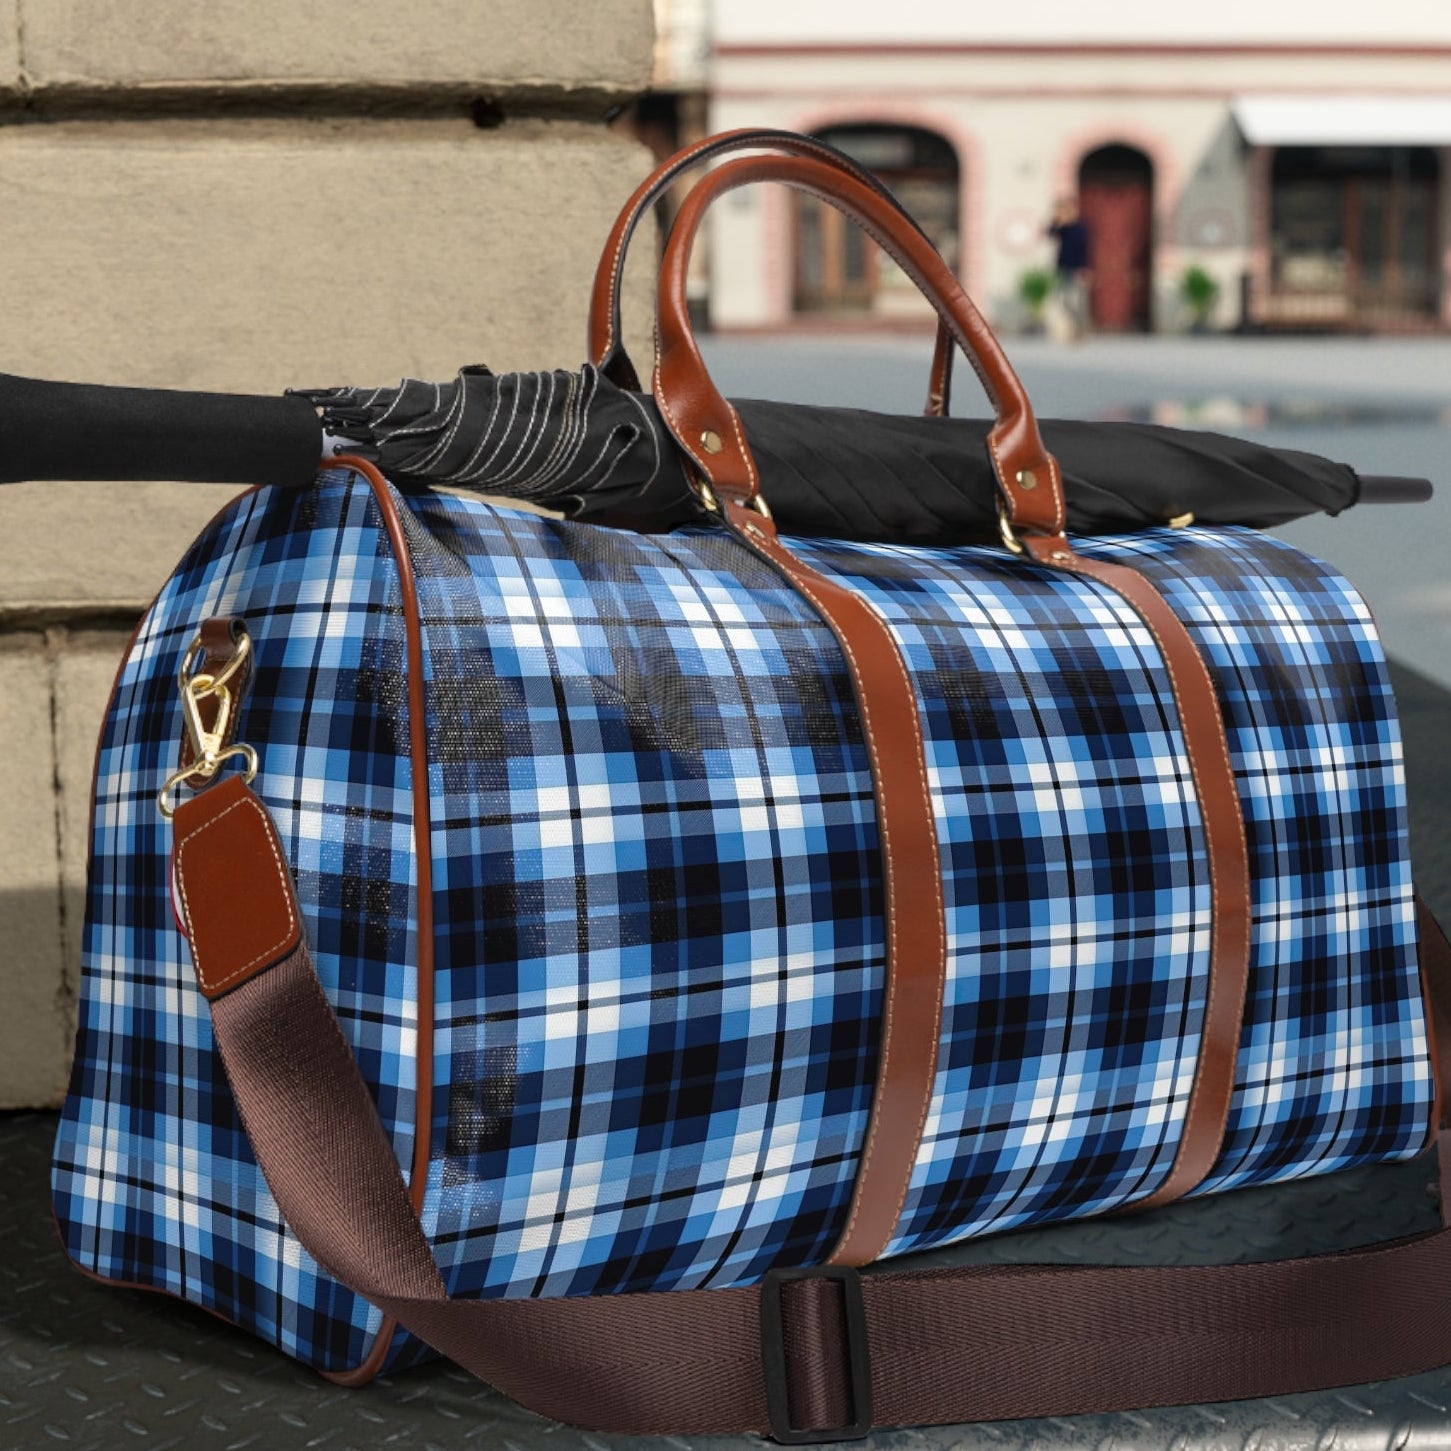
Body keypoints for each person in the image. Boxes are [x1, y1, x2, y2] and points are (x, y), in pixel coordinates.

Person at [1047, 196, 1091, 341]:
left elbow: (1084, 249)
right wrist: (1057, 220)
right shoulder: (1063, 228)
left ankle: (1080, 329)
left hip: (1076, 269)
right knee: (1063, 301)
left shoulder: (1080, 228)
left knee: (1076, 301)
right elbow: (1050, 233)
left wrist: (1085, 268)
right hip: (1062, 268)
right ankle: (1075, 327)